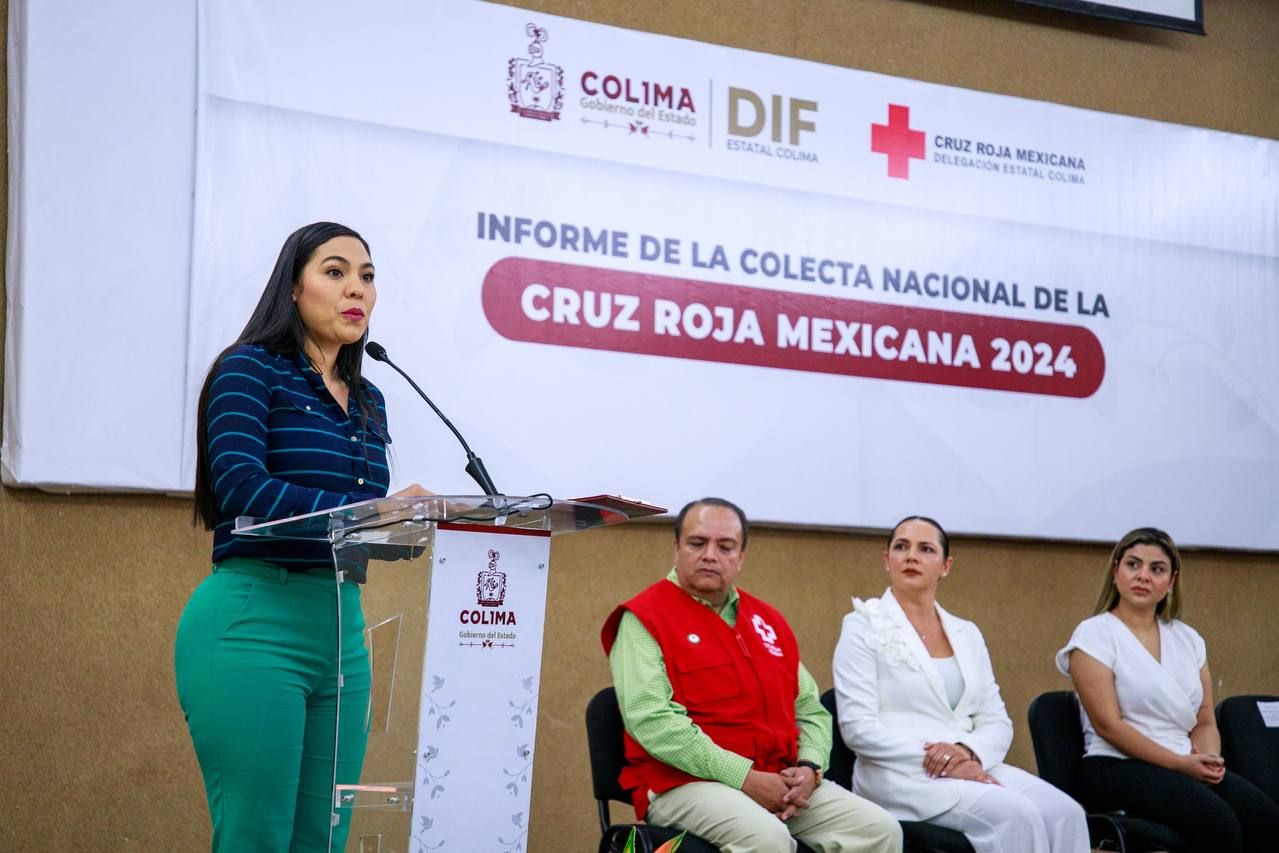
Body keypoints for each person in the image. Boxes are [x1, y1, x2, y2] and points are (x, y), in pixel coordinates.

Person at [174, 222, 428, 852]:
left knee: (323, 838)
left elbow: (361, 527)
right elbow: (241, 487)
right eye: (336, 272)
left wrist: (414, 528)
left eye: (367, 276)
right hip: (254, 622)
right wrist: (374, 511)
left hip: (343, 630)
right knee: (258, 837)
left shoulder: (370, 400)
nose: (357, 290)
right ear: (293, 288)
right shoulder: (248, 370)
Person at [601, 498, 903, 853]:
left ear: (741, 556)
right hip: (684, 784)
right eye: (697, 543)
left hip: (779, 779)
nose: (710, 555)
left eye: (725, 546)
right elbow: (653, 721)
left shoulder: (768, 621)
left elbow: (809, 710)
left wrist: (809, 769)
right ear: (677, 548)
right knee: (767, 841)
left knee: (878, 830)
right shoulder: (643, 618)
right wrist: (743, 777)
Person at [833, 516, 1089, 853]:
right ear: (887, 559)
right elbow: (857, 728)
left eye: (925, 549)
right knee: (1017, 815)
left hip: (971, 760)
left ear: (946, 566)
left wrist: (969, 753)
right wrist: (942, 760)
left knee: (1066, 813)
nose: (911, 556)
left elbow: (996, 720)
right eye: (901, 547)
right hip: (900, 775)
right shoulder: (860, 626)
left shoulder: (967, 633)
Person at [1057, 527, 1279, 852]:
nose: (1143, 576)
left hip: (1184, 763)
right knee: (1218, 823)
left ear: (1172, 581)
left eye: (1156, 569)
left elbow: (1204, 720)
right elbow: (1109, 725)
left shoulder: (1189, 639)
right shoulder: (1094, 635)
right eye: (1133, 565)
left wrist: (1209, 759)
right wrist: (1179, 764)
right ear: (1116, 570)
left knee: (1267, 822)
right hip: (1116, 766)